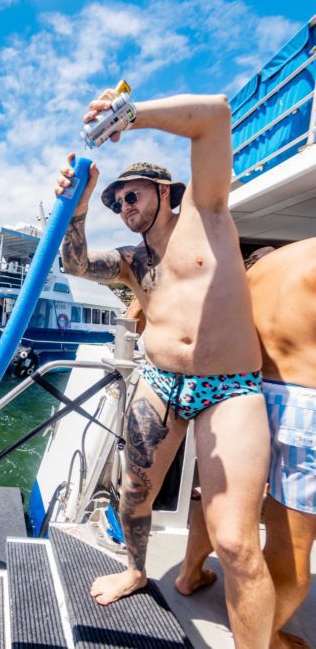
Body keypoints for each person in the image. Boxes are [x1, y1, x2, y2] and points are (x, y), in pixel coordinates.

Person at [57, 88, 274, 645]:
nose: (125, 207)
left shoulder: (207, 213)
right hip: (157, 383)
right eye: (117, 202)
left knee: (236, 543)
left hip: (229, 388)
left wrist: (126, 117)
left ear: (164, 191)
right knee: (132, 496)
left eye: (132, 195)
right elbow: (75, 263)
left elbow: (215, 116)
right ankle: (135, 569)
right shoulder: (132, 261)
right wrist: (79, 206)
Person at [176, 239, 316, 649]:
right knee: (291, 542)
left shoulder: (266, 266)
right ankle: (266, 637)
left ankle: (190, 572)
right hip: (304, 405)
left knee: (220, 500)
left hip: (244, 394)